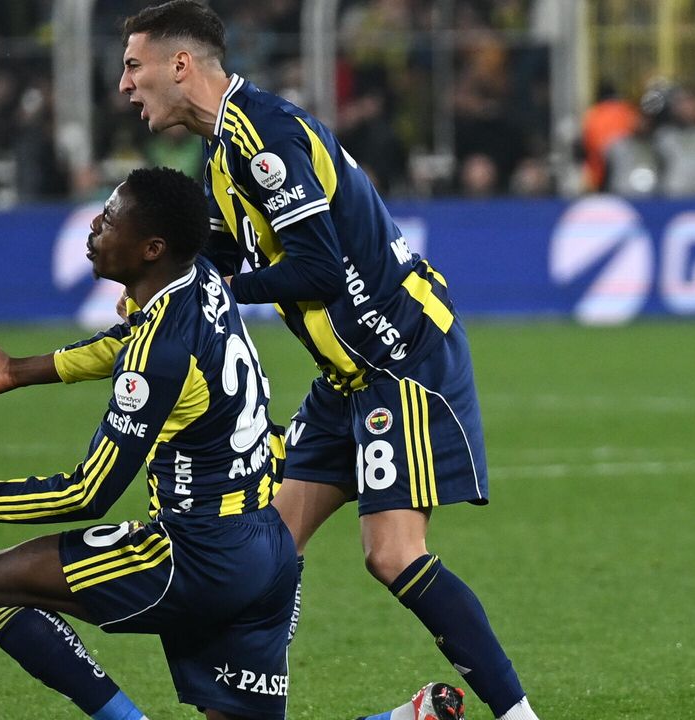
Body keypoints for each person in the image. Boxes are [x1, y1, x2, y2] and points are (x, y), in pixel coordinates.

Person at [115, 3, 539, 719]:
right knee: (268, 548)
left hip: (401, 358)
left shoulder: (265, 138)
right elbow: (217, 254)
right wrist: (154, 281)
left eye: (134, 66)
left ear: (179, 65)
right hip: (346, 378)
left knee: (391, 554)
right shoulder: (223, 152)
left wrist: (213, 291)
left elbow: (318, 268)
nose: (126, 84)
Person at [0, 167, 300, 720]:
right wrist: (17, 370)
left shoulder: (158, 352)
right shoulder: (199, 279)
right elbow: (132, 339)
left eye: (110, 219)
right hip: (270, 548)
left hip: (198, 558)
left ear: (152, 249)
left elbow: (88, 494)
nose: (95, 226)